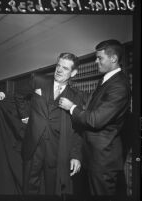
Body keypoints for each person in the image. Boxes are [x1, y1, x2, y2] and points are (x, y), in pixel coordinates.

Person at [59, 39, 131, 196]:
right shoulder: (106, 81)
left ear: (113, 59)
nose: (95, 61)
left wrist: (71, 107)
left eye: (100, 58)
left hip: (103, 162)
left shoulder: (119, 85)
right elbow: (92, 107)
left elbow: (95, 120)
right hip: (93, 158)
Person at [15, 53, 83, 195]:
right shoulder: (38, 80)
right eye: (58, 65)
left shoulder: (76, 97)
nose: (59, 70)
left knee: (52, 188)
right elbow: (19, 94)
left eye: (65, 68)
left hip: (56, 149)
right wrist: (25, 116)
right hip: (34, 145)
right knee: (29, 186)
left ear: (73, 73)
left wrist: (76, 155)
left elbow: (77, 129)